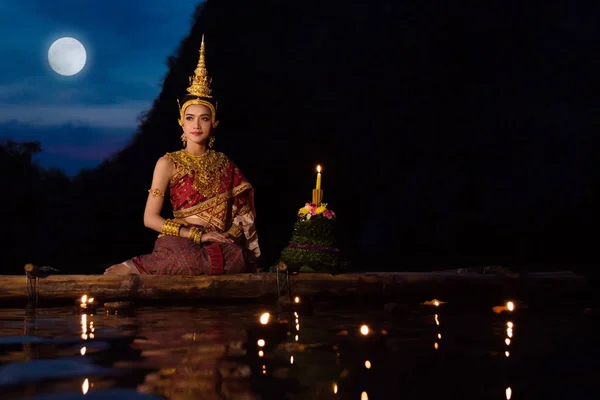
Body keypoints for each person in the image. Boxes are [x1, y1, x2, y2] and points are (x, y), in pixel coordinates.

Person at [104, 36, 260, 275]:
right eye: (190, 118)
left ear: (214, 123)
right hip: (182, 239)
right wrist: (196, 233)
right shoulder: (168, 162)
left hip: (218, 242)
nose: (196, 125)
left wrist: (228, 236)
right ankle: (133, 266)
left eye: (204, 118)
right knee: (185, 258)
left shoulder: (225, 163)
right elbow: (150, 218)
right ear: (181, 122)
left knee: (237, 257)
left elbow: (242, 213)